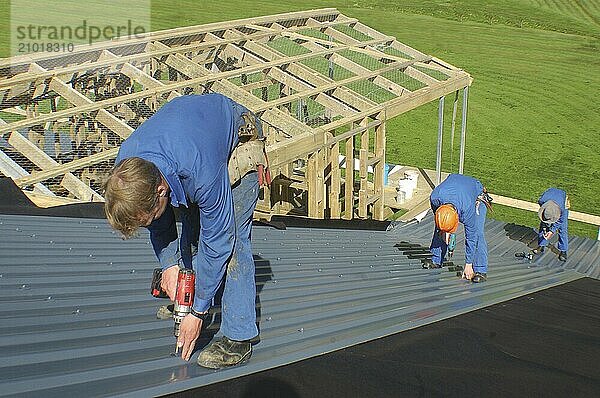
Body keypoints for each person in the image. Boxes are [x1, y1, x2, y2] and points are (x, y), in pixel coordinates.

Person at [103, 93, 270, 369]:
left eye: (150, 215)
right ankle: (191, 301)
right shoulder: (128, 168)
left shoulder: (199, 169)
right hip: (190, 141)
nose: (149, 224)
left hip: (236, 141)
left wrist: (199, 312)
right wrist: (168, 265)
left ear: (160, 190)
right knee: (190, 234)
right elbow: (158, 222)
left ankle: (239, 336)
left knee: (233, 242)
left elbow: (219, 240)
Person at [422, 174, 491, 283]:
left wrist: (468, 264)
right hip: (456, 194)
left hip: (477, 197)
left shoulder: (467, 209)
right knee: (440, 224)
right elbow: (438, 214)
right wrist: (444, 231)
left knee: (477, 233)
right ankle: (436, 259)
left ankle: (480, 270)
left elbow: (471, 237)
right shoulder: (435, 197)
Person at [534, 188, 569, 261]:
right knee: (544, 224)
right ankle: (541, 245)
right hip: (549, 201)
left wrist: (551, 231)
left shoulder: (562, 209)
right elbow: (544, 211)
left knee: (562, 229)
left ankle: (563, 251)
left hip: (562, 199)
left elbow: (560, 221)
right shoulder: (542, 201)